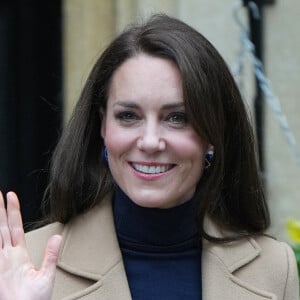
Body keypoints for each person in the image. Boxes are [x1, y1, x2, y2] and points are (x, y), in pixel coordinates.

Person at [0, 14, 298, 300]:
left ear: (212, 134)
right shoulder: (27, 264)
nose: (151, 141)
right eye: (129, 116)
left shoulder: (273, 268)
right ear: (103, 125)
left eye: (177, 118)